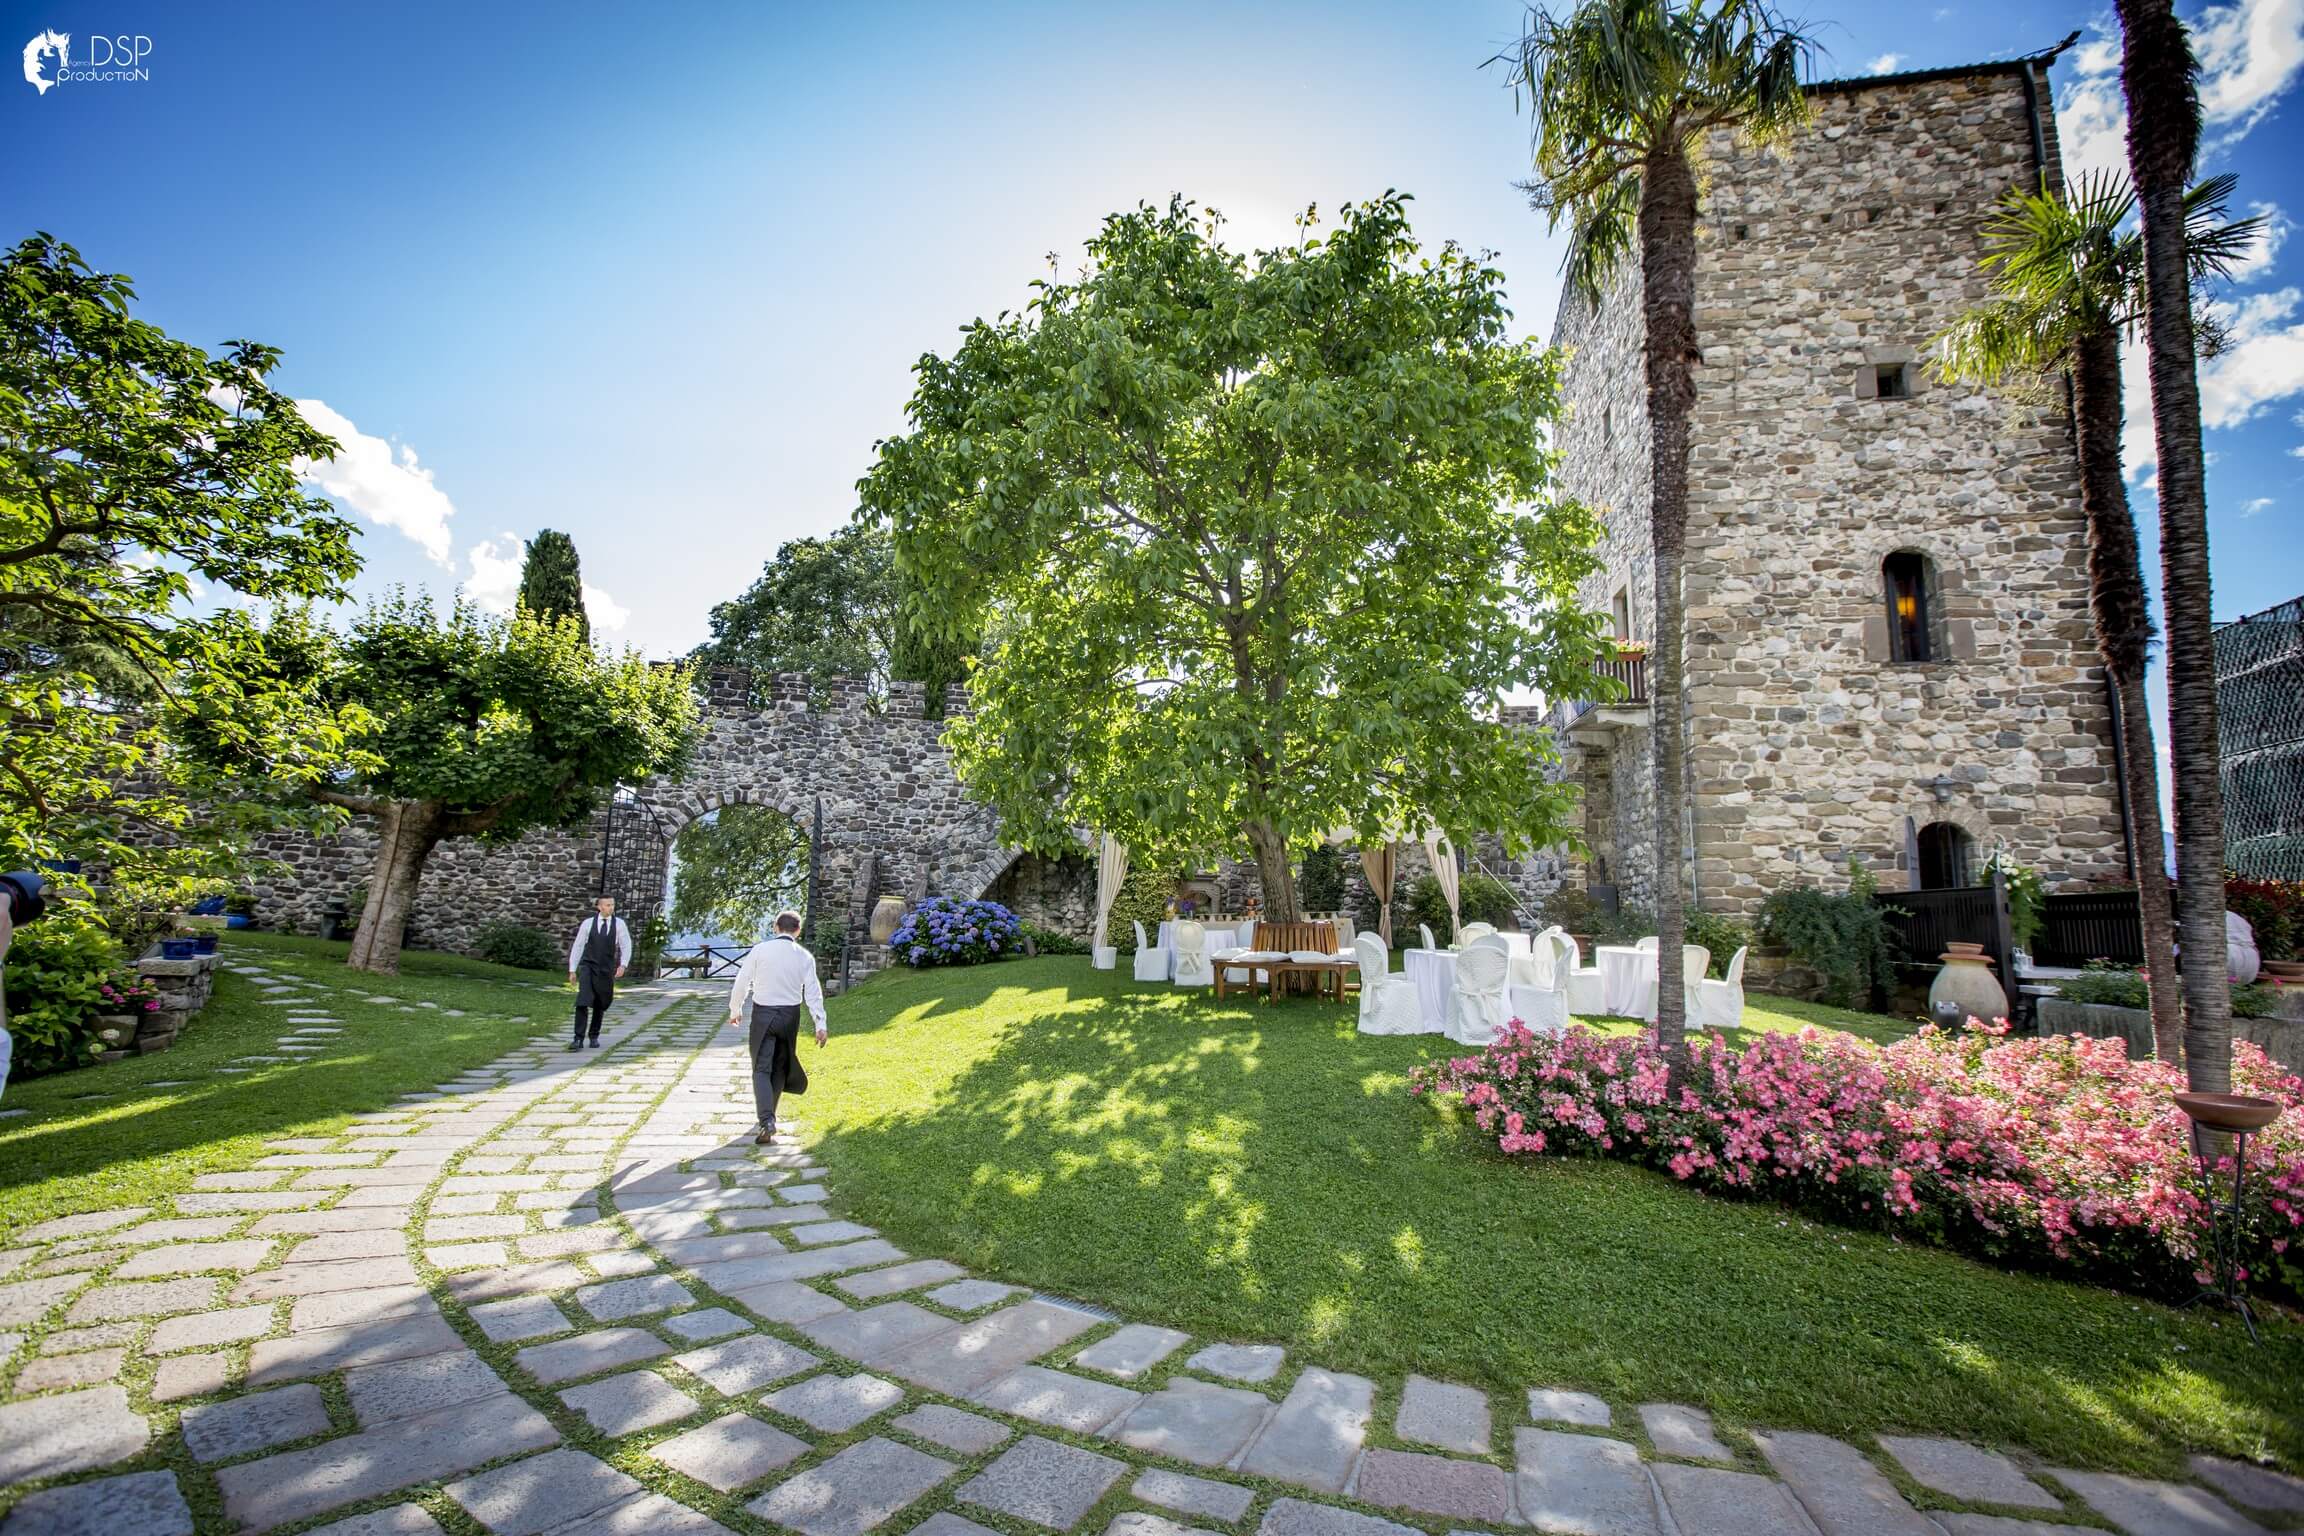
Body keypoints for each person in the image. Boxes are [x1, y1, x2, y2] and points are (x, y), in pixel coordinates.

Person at [726, 909, 827, 1144]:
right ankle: (769, 1116)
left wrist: (735, 1009)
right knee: (780, 1067)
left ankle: (766, 1120)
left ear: (776, 928)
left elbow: (742, 981)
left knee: (761, 1068)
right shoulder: (804, 956)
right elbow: (813, 992)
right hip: (790, 1016)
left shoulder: (760, 950)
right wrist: (820, 1023)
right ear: (798, 931)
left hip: (764, 1013)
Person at [567, 895, 631, 1050]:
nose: (611, 908)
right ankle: (578, 1038)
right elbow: (578, 946)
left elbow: (626, 945)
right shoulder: (588, 924)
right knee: (582, 1001)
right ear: (599, 907)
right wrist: (572, 969)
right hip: (588, 967)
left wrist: (623, 965)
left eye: (612, 905)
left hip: (606, 969)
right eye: (608, 905)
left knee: (600, 1003)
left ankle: (594, 1035)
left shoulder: (619, 925)